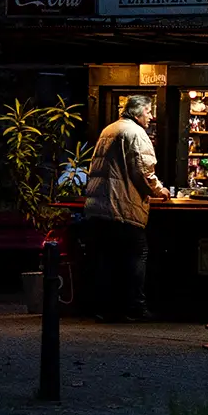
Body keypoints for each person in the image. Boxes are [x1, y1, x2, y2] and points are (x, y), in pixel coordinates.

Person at [84, 95, 170, 321]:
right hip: (121, 206)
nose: (151, 117)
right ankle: (135, 307)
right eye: (149, 112)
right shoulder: (135, 133)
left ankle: (104, 309)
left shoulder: (109, 130)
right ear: (137, 112)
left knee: (106, 259)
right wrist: (159, 190)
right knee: (136, 254)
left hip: (99, 207)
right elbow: (143, 171)